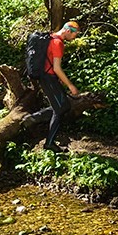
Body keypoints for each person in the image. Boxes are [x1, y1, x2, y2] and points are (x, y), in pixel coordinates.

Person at [38, 21, 82, 151]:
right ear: (68, 31)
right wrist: (70, 85)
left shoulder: (51, 37)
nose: (75, 38)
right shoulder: (58, 43)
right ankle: (49, 143)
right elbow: (57, 68)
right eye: (75, 34)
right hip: (48, 79)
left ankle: (32, 118)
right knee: (60, 109)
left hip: (47, 77)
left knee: (63, 106)